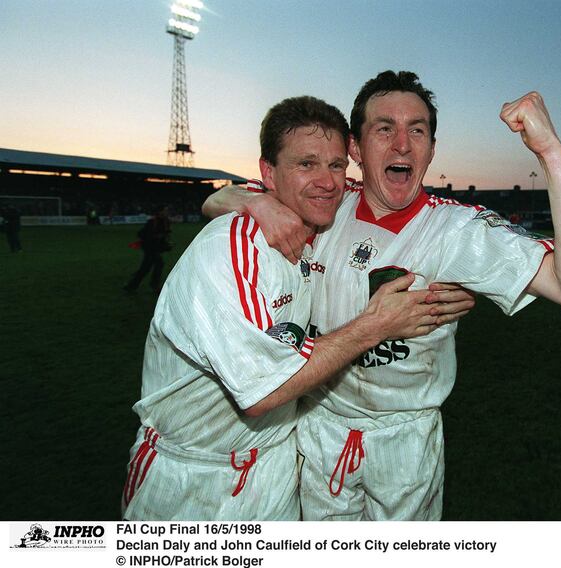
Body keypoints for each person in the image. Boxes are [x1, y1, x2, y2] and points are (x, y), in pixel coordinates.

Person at [203, 71, 561, 520]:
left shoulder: (455, 229)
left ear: (432, 150)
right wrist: (257, 203)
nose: (402, 144)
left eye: (417, 130)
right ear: (355, 148)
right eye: (384, 129)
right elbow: (216, 200)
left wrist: (550, 152)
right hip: (318, 431)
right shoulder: (325, 200)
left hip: (405, 445)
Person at [122, 96, 443, 521]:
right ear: (267, 173)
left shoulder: (317, 230)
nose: (327, 182)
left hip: (277, 468)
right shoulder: (230, 248)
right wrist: (376, 325)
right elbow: (261, 392)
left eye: (334, 165)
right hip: (193, 479)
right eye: (305, 164)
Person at [124, 205, 171, 293]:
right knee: (158, 264)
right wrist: (154, 237)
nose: (167, 212)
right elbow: (141, 234)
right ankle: (154, 286)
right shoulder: (152, 222)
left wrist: (165, 244)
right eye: (165, 210)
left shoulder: (166, 222)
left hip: (155, 248)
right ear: (160, 212)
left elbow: (165, 235)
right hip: (149, 248)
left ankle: (131, 286)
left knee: (146, 268)